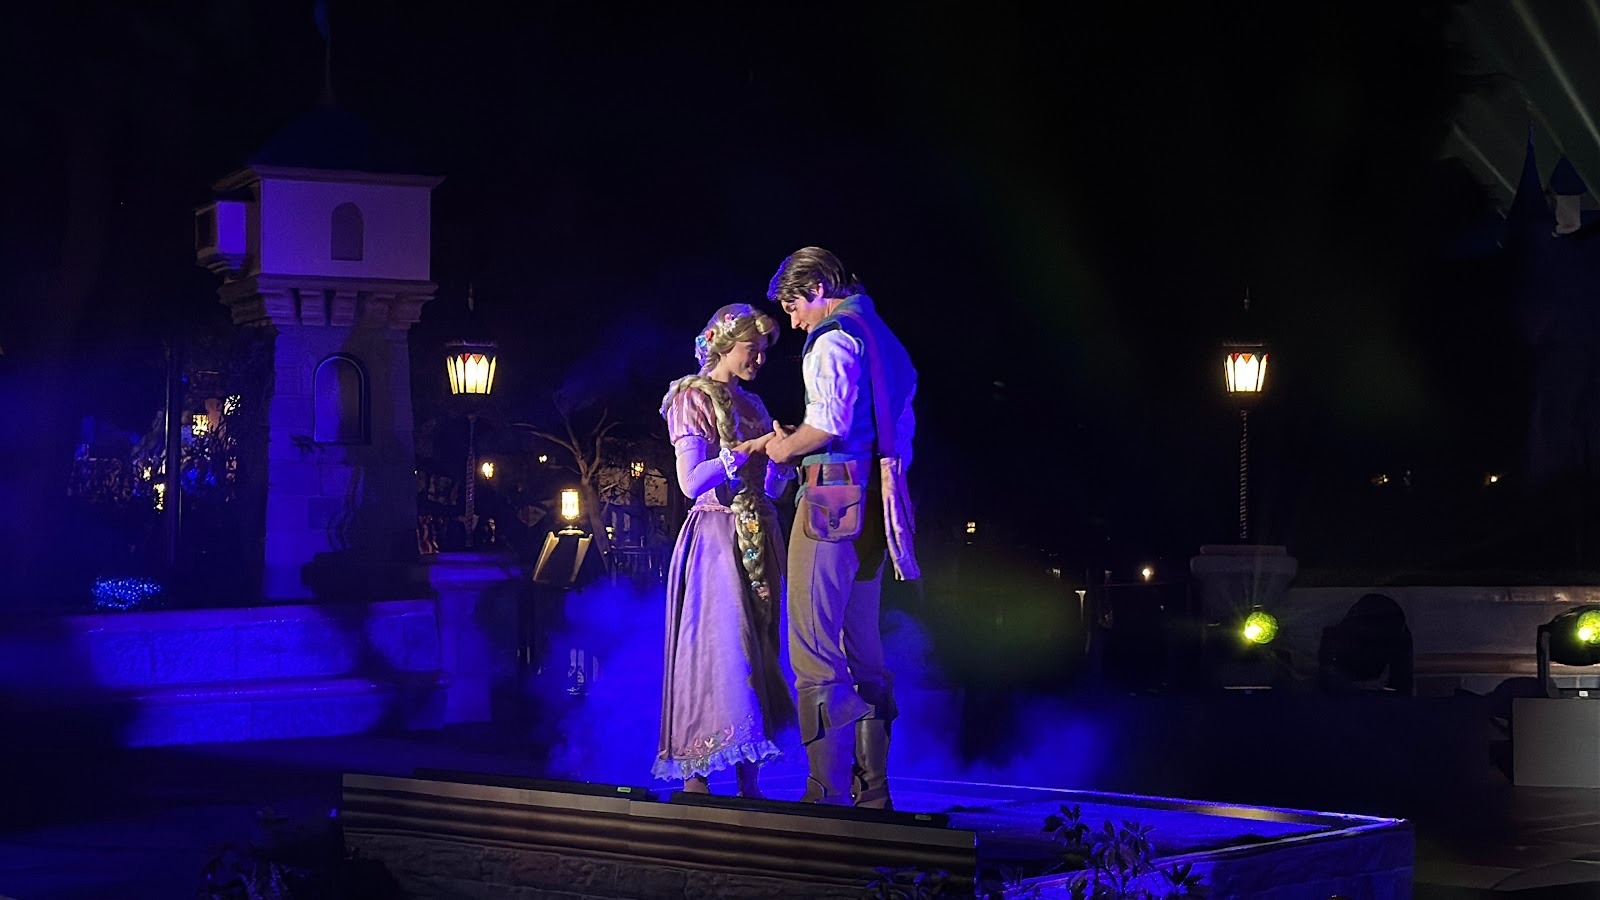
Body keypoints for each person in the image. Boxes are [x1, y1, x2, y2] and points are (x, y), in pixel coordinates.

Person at [763, 247, 918, 808]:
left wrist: (783, 449)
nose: (793, 322)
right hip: (876, 502)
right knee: (865, 651)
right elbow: (900, 426)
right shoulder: (885, 338)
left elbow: (826, 423)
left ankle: (824, 788)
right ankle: (873, 791)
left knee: (812, 648)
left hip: (831, 498)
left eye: (793, 306)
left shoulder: (833, 336)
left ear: (817, 289)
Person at [653, 303, 798, 797]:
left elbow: (771, 489)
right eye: (751, 349)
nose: (759, 360)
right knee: (718, 650)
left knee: (759, 648)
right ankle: (696, 777)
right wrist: (743, 451)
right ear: (724, 345)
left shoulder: (753, 405)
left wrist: (781, 461)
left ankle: (748, 781)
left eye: (763, 352)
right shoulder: (691, 397)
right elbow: (692, 482)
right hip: (716, 538)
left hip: (760, 534)